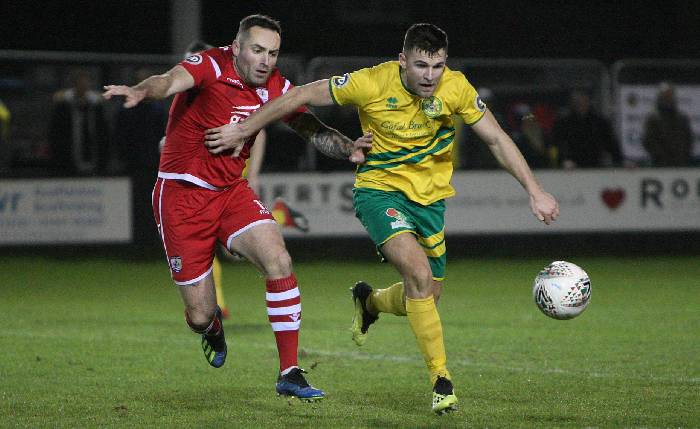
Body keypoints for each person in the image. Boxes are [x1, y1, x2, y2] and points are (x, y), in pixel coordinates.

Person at [203, 23, 559, 414]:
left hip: (430, 203)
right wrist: (246, 128)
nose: (429, 75)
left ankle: (370, 302)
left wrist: (534, 189)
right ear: (402, 59)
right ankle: (442, 381)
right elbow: (301, 95)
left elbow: (496, 139)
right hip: (378, 192)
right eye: (421, 65)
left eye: (438, 66)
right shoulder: (371, 82)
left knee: (426, 296)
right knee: (418, 275)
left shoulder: (456, 88)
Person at [103, 14, 370, 401]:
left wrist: (349, 148)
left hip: (230, 192)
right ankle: (211, 327)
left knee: (278, 258)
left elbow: (311, 128)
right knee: (199, 314)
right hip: (181, 196)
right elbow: (169, 80)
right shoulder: (211, 64)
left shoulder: (275, 86)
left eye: (273, 54)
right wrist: (144, 91)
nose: (265, 61)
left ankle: (290, 372)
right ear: (238, 46)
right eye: (258, 50)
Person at [49, 69, 110, 176]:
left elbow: (103, 133)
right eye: (80, 84)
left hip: (94, 159)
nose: (83, 87)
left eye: (85, 84)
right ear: (75, 86)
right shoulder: (64, 107)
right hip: (69, 160)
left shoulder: (96, 106)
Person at [552, 89, 622, 169]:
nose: (581, 105)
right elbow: (558, 143)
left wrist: (620, 161)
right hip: (571, 166)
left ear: (588, 102)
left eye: (583, 101)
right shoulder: (564, 123)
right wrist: (564, 160)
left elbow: (611, 143)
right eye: (578, 102)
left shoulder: (599, 122)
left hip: (595, 165)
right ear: (573, 104)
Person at [642, 82, 693, 167]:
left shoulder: (682, 119)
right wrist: (660, 155)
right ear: (660, 97)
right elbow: (648, 141)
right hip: (660, 164)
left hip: (681, 164)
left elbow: (688, 140)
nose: (668, 98)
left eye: (670, 96)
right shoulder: (653, 120)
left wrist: (683, 155)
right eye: (665, 96)